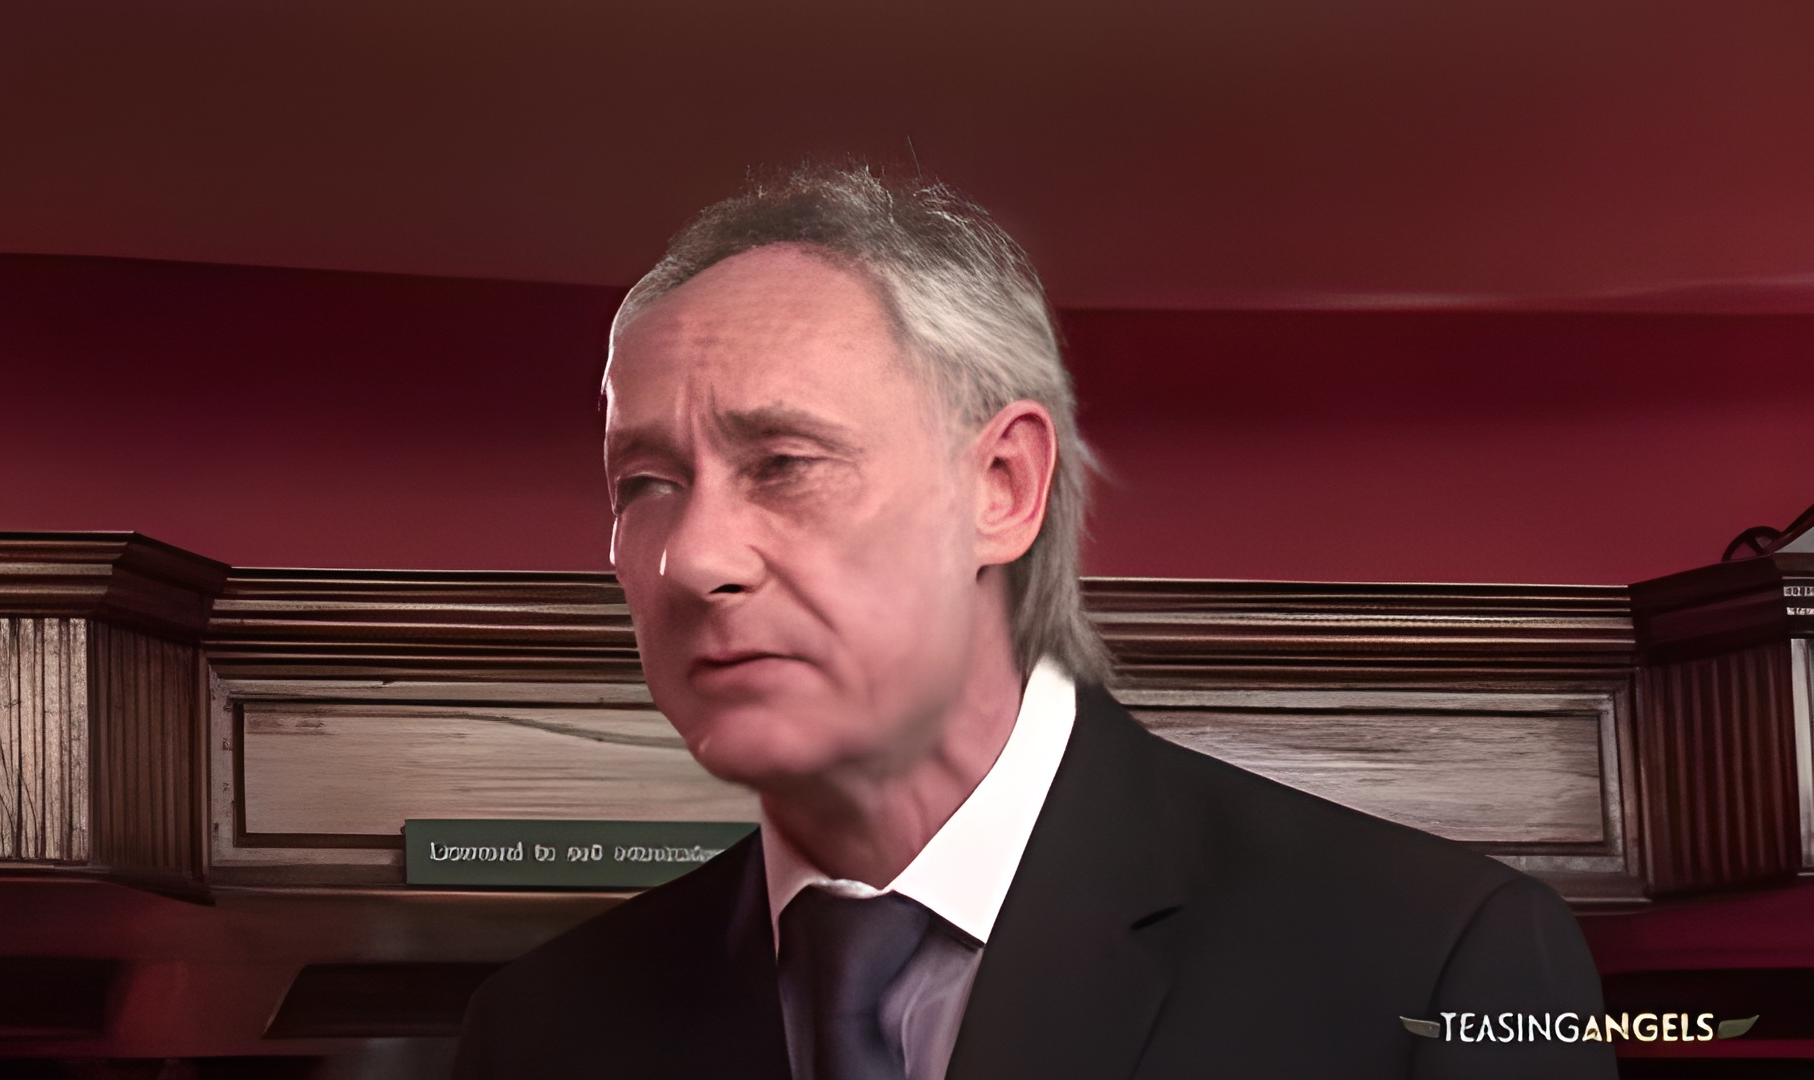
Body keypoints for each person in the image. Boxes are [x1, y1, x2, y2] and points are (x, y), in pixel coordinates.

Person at [453, 165, 1614, 1079]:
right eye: (645, 482)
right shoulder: (546, 1028)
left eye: (784, 462)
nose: (692, 557)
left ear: (1002, 486)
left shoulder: (1433, 959)